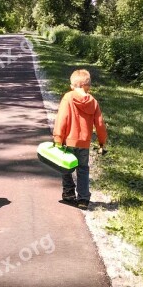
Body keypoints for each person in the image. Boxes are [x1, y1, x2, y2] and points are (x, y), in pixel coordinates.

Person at [52, 69, 107, 210]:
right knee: (83, 169)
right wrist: (102, 142)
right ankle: (83, 198)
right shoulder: (93, 102)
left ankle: (69, 193)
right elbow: (100, 124)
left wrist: (58, 138)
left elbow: (61, 118)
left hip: (68, 141)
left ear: (76, 85)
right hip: (84, 143)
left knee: (65, 166)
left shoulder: (68, 97)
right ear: (87, 86)